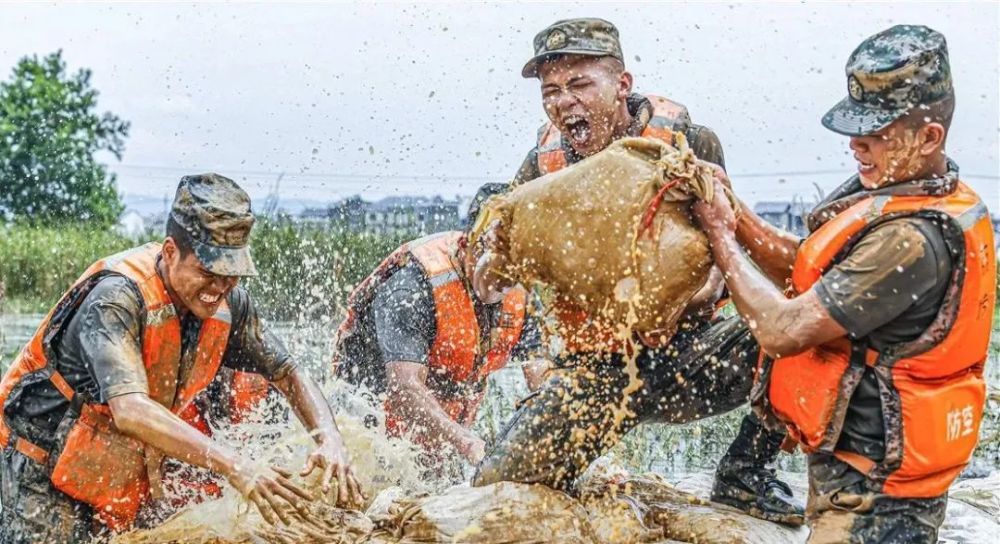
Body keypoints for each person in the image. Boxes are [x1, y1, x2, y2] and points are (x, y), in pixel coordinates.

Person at [472, 17, 804, 526]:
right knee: (496, 489)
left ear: (622, 84)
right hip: (595, 370)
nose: (564, 103)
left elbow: (721, 253)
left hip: (691, 352)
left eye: (580, 84)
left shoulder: (686, 142)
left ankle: (746, 472)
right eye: (551, 91)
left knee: (807, 335)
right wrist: (494, 262)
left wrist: (671, 306)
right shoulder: (541, 168)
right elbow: (490, 283)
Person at [690, 25, 995, 543]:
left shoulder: (909, 239)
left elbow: (782, 331)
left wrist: (720, 237)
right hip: (862, 486)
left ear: (929, 137)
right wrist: (734, 213)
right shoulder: (909, 192)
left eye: (876, 132)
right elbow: (805, 268)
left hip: (877, 505)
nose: (855, 144)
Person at [0, 174, 363, 542]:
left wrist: (329, 438)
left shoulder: (230, 303)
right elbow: (130, 410)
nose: (220, 287)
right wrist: (236, 466)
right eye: (208, 272)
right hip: (36, 461)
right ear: (170, 252)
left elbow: (288, 372)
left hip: (107, 462)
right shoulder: (116, 298)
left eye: (232, 274)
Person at [334, 184, 547, 466]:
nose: (502, 275)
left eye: (513, 261)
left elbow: (543, 380)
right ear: (467, 244)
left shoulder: (522, 294)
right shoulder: (413, 287)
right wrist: (468, 444)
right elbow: (404, 390)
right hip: (371, 428)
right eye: (494, 257)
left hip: (445, 435)